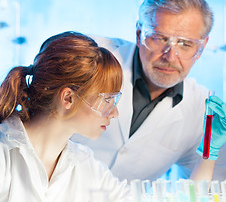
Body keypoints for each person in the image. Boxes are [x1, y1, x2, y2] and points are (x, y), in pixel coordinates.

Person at [74, 0, 226, 181]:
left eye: (185, 44)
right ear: (139, 33)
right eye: (159, 38)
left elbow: (215, 188)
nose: (170, 56)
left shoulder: (202, 109)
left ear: (202, 46)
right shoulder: (91, 57)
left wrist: (212, 150)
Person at [0, 32, 132, 201]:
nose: (114, 113)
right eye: (107, 99)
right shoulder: (4, 156)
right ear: (68, 98)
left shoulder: (86, 164)